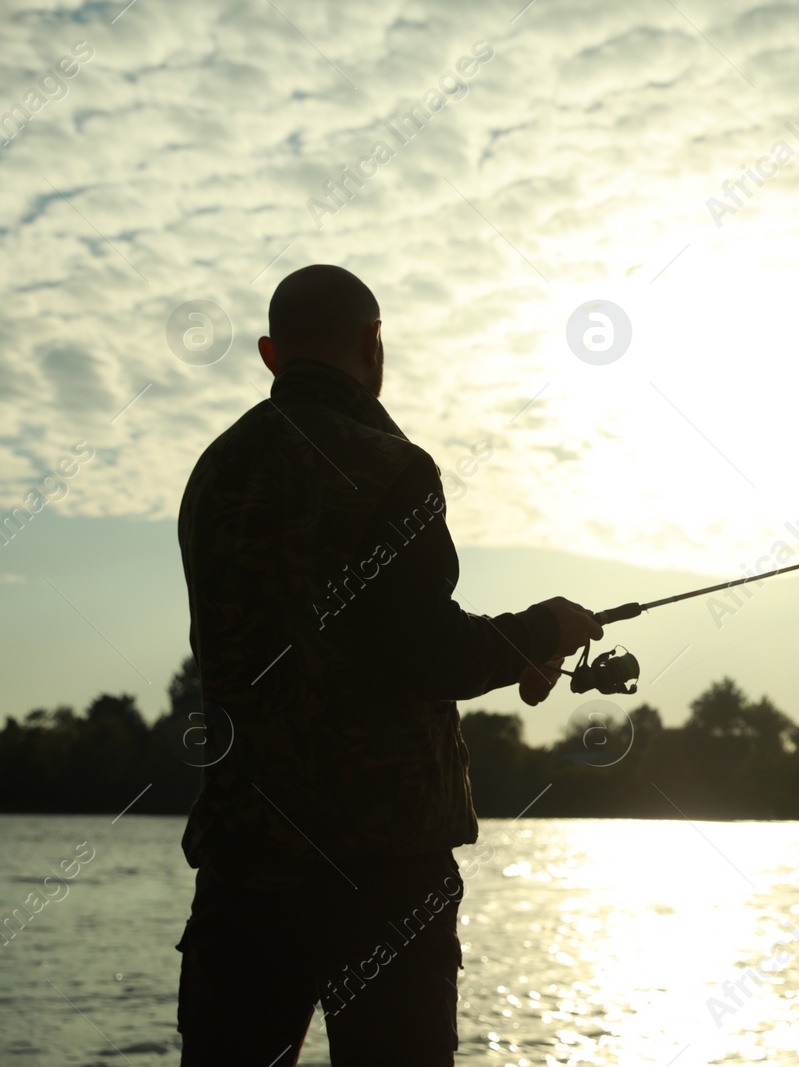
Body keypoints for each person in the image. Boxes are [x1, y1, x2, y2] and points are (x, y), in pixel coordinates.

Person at [174, 264, 600, 1065]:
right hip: (382, 872)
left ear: (272, 354)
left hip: (244, 864)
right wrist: (541, 629)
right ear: (375, 344)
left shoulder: (216, 472)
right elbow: (425, 651)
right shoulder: (391, 467)